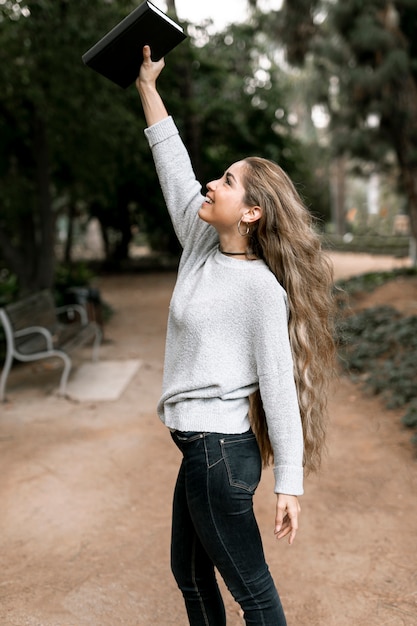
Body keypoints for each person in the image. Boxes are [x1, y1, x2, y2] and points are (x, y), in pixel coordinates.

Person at [135, 45, 335, 626]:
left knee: (254, 595)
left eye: (225, 181)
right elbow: (174, 171)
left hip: (219, 455)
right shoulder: (201, 248)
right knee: (192, 576)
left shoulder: (260, 291)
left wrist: (289, 484)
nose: (210, 185)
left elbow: (279, 388)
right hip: (202, 451)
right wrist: (148, 86)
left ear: (250, 213)